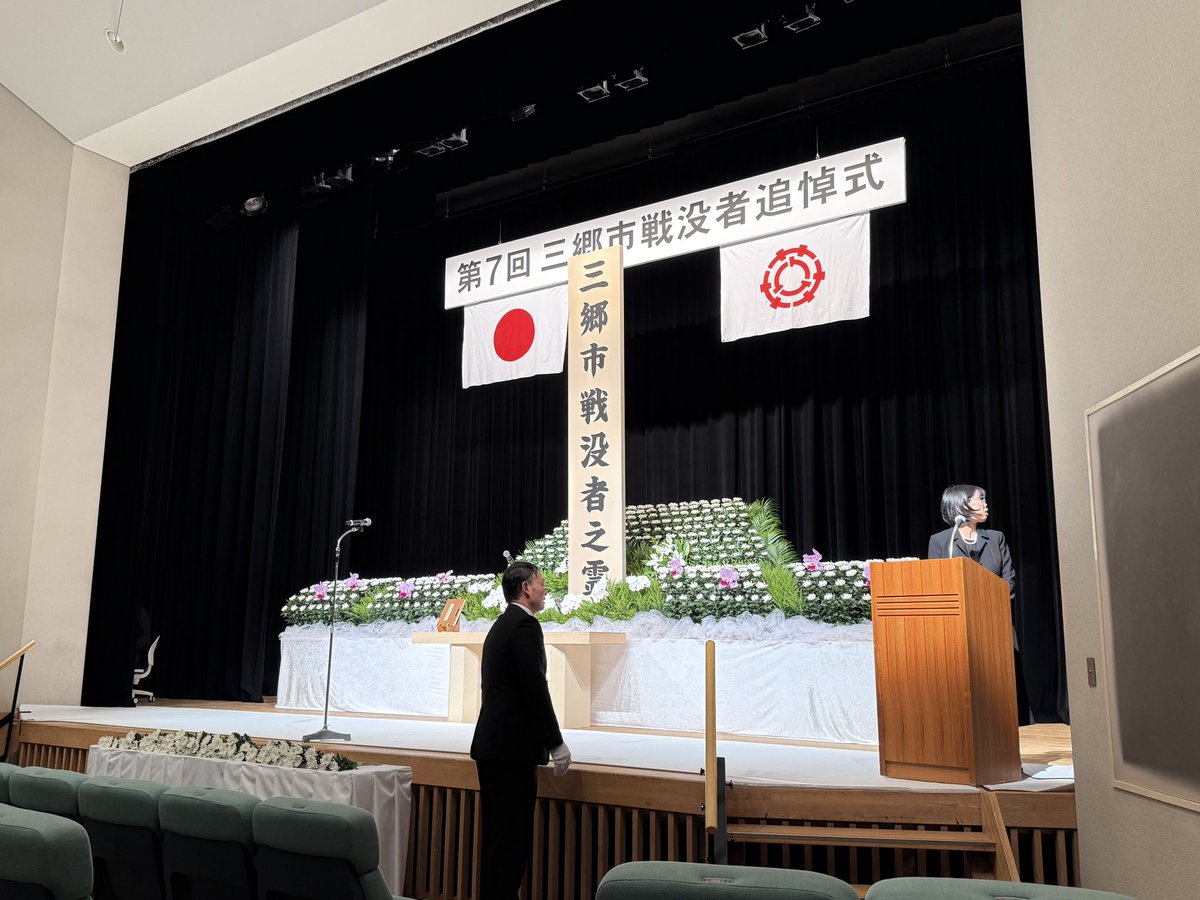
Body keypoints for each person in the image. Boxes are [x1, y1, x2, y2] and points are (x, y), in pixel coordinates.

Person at [470, 561, 571, 898]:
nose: (544, 588)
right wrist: (555, 742)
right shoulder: (525, 626)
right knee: (511, 845)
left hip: (493, 748)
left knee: (497, 843)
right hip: (511, 753)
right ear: (526, 588)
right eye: (541, 582)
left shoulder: (500, 624)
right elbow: (534, 689)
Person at [927, 484, 1031, 724]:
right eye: (980, 499)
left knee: (997, 690)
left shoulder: (995, 538)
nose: (986, 504)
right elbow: (937, 583)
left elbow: (1009, 581)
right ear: (962, 505)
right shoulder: (942, 541)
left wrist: (987, 605)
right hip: (958, 628)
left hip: (994, 625)